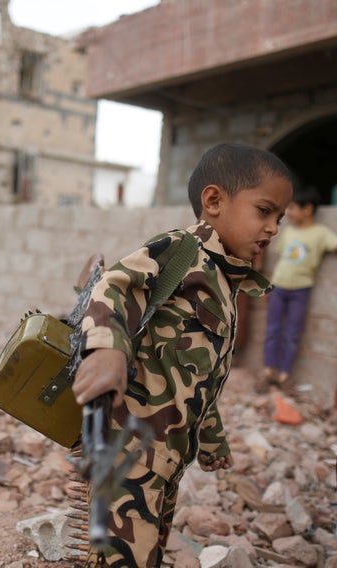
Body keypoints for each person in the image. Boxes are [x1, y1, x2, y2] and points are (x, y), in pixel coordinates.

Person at [71, 143, 293, 567]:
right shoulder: (180, 250)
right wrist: (106, 349)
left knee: (149, 549)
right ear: (214, 201)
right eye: (264, 211)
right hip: (127, 445)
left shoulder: (225, 285)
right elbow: (114, 286)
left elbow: (198, 378)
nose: (273, 228)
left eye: (279, 218)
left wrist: (211, 440)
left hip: (167, 456)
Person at [261, 186, 337, 392]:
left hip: (300, 292)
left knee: (292, 335)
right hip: (278, 289)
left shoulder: (321, 233)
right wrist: (269, 288)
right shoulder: (289, 232)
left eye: (292, 208)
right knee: (272, 331)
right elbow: (281, 262)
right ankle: (268, 373)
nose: (289, 213)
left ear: (308, 209)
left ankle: (284, 376)